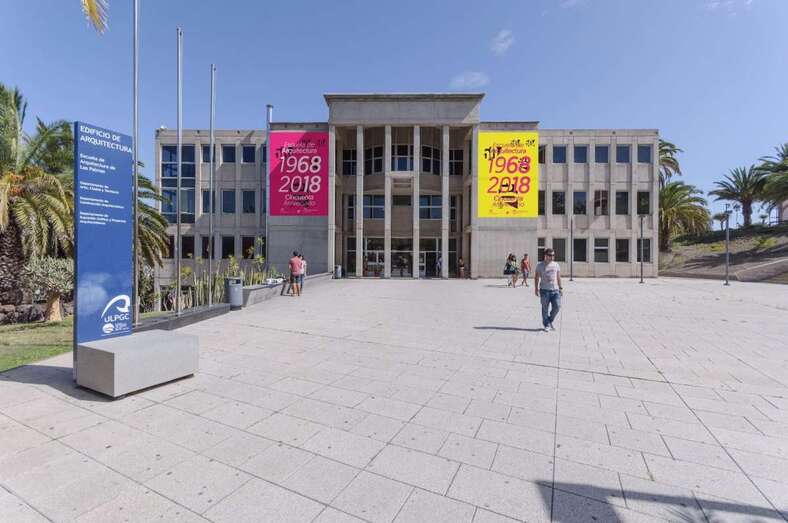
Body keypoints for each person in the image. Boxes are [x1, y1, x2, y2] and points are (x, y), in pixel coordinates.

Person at [534, 248, 562, 331]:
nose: (552, 257)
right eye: (550, 255)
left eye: (553, 255)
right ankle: (547, 324)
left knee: (557, 306)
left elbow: (558, 277)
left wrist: (560, 288)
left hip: (555, 290)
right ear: (545, 256)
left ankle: (549, 320)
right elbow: (536, 277)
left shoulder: (556, 265)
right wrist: (536, 289)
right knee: (545, 309)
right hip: (544, 290)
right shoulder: (540, 265)